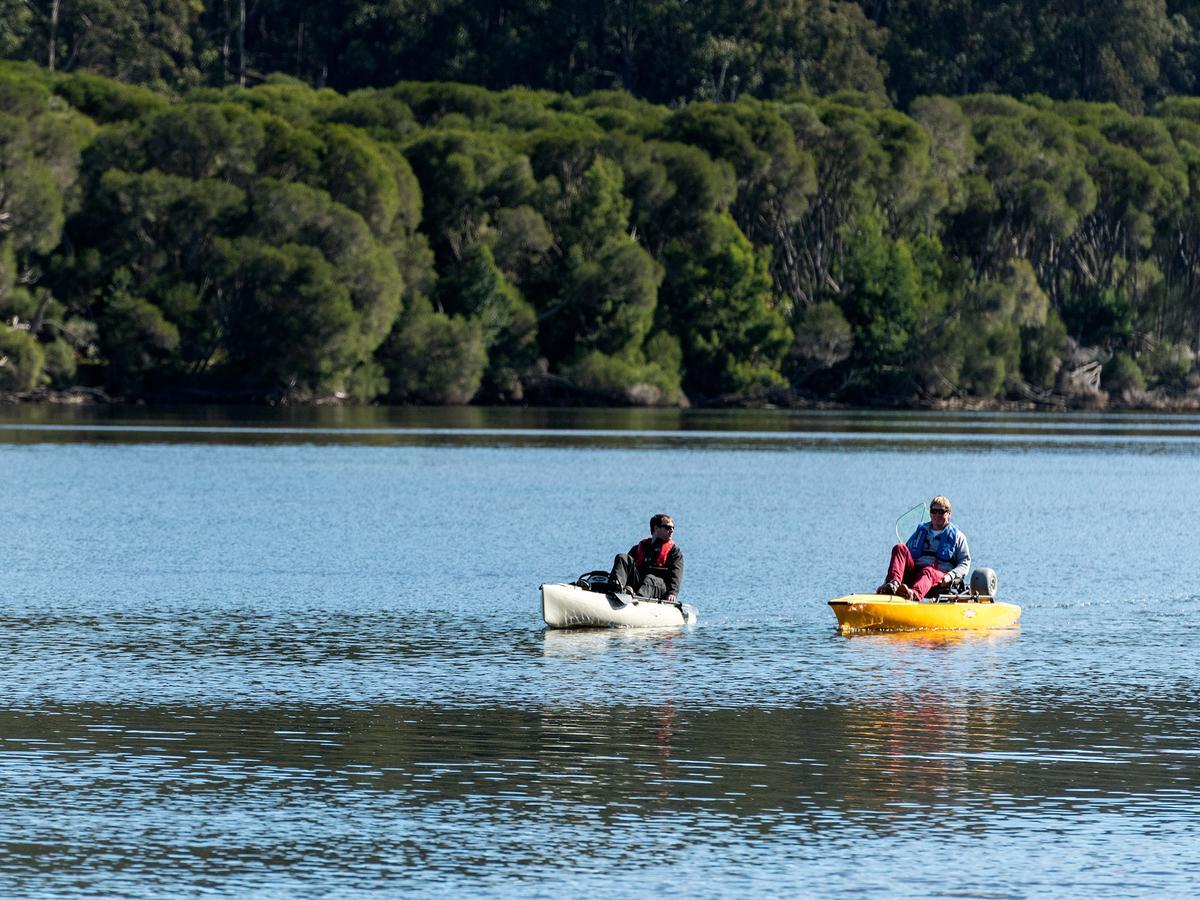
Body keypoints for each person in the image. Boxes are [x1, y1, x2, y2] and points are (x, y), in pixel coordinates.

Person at [877, 496, 970, 601]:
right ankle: (893, 585)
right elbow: (905, 555)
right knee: (899, 548)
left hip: (939, 578)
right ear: (930, 513)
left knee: (928, 570)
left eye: (941, 512)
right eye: (934, 511)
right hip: (916, 573)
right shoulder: (921, 532)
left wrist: (950, 576)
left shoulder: (958, 536)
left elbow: (964, 563)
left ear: (949, 514)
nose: (937, 515)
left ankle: (913, 595)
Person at [609, 513, 684, 603]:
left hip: (659, 586)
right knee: (622, 557)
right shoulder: (638, 548)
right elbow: (627, 569)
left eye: (673, 528)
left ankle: (637, 600)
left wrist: (672, 593)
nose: (672, 530)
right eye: (668, 527)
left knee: (649, 578)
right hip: (640, 581)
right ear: (656, 528)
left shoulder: (674, 552)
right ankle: (615, 589)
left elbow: (676, 574)